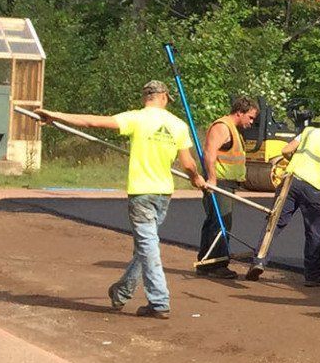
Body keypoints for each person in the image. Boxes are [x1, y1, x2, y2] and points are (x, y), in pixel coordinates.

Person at [36, 81, 207, 319]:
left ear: (145, 97)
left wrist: (56, 115)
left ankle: (159, 302)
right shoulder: (178, 124)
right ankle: (122, 292)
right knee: (146, 247)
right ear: (165, 97)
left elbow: (92, 121)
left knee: (148, 247)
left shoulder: (136, 118)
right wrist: (196, 178)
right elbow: (188, 163)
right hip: (163, 194)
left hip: (141, 193)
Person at [251, 116, 320, 287]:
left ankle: (259, 260)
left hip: (291, 182)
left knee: (274, 223)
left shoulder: (311, 132)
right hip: (315, 191)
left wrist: (296, 162)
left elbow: (286, 151)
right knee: (313, 232)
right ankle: (312, 276)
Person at [197, 94, 259, 277]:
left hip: (228, 184)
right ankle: (217, 265)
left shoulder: (235, 129)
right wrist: (212, 179)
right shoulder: (222, 127)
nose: (252, 122)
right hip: (219, 184)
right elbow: (209, 153)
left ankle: (205, 263)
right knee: (222, 222)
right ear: (240, 112)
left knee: (214, 222)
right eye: (251, 117)